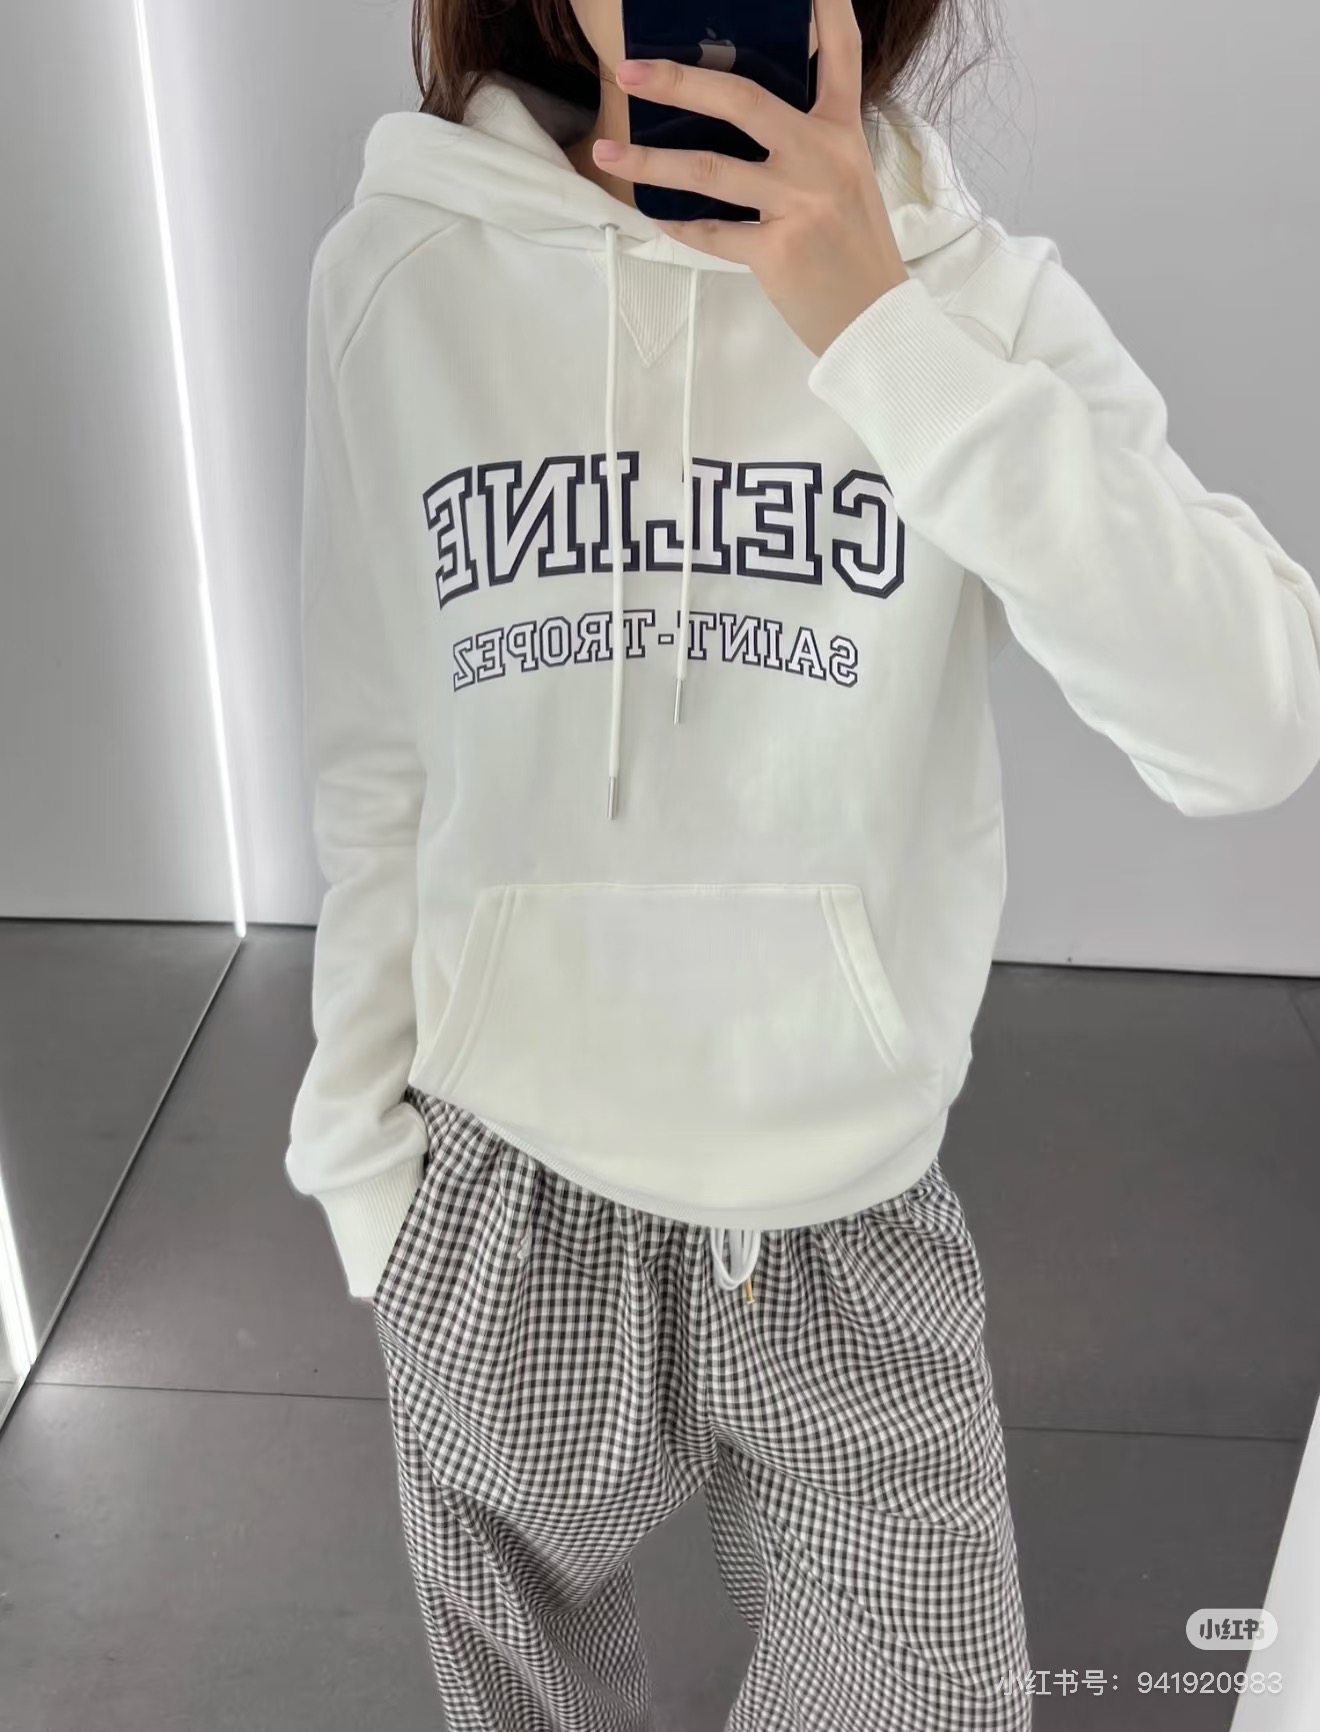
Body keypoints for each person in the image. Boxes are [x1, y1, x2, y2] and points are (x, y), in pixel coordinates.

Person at [283, 0, 1320, 1726]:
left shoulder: (964, 298)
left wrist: (881, 329)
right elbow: (375, 751)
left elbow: (1255, 723)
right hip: (504, 1197)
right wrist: (362, 1185)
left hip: (845, 1212)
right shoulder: (401, 274)